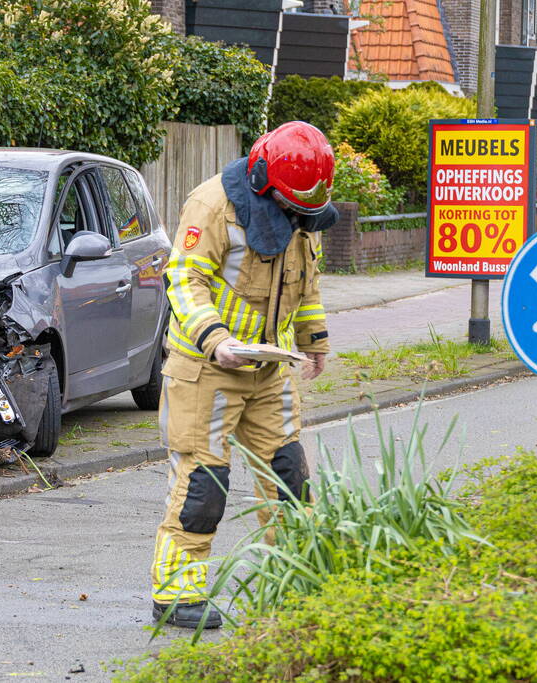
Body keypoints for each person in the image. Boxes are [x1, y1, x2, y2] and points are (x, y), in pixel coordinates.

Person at [150, 121, 336, 628]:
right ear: (262, 179)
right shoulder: (212, 207)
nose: (298, 218)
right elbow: (184, 279)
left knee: (289, 478)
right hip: (206, 369)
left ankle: (296, 579)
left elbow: (307, 282)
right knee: (202, 486)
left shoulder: (299, 211)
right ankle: (176, 595)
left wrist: (312, 341)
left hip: (270, 370)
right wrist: (217, 338)